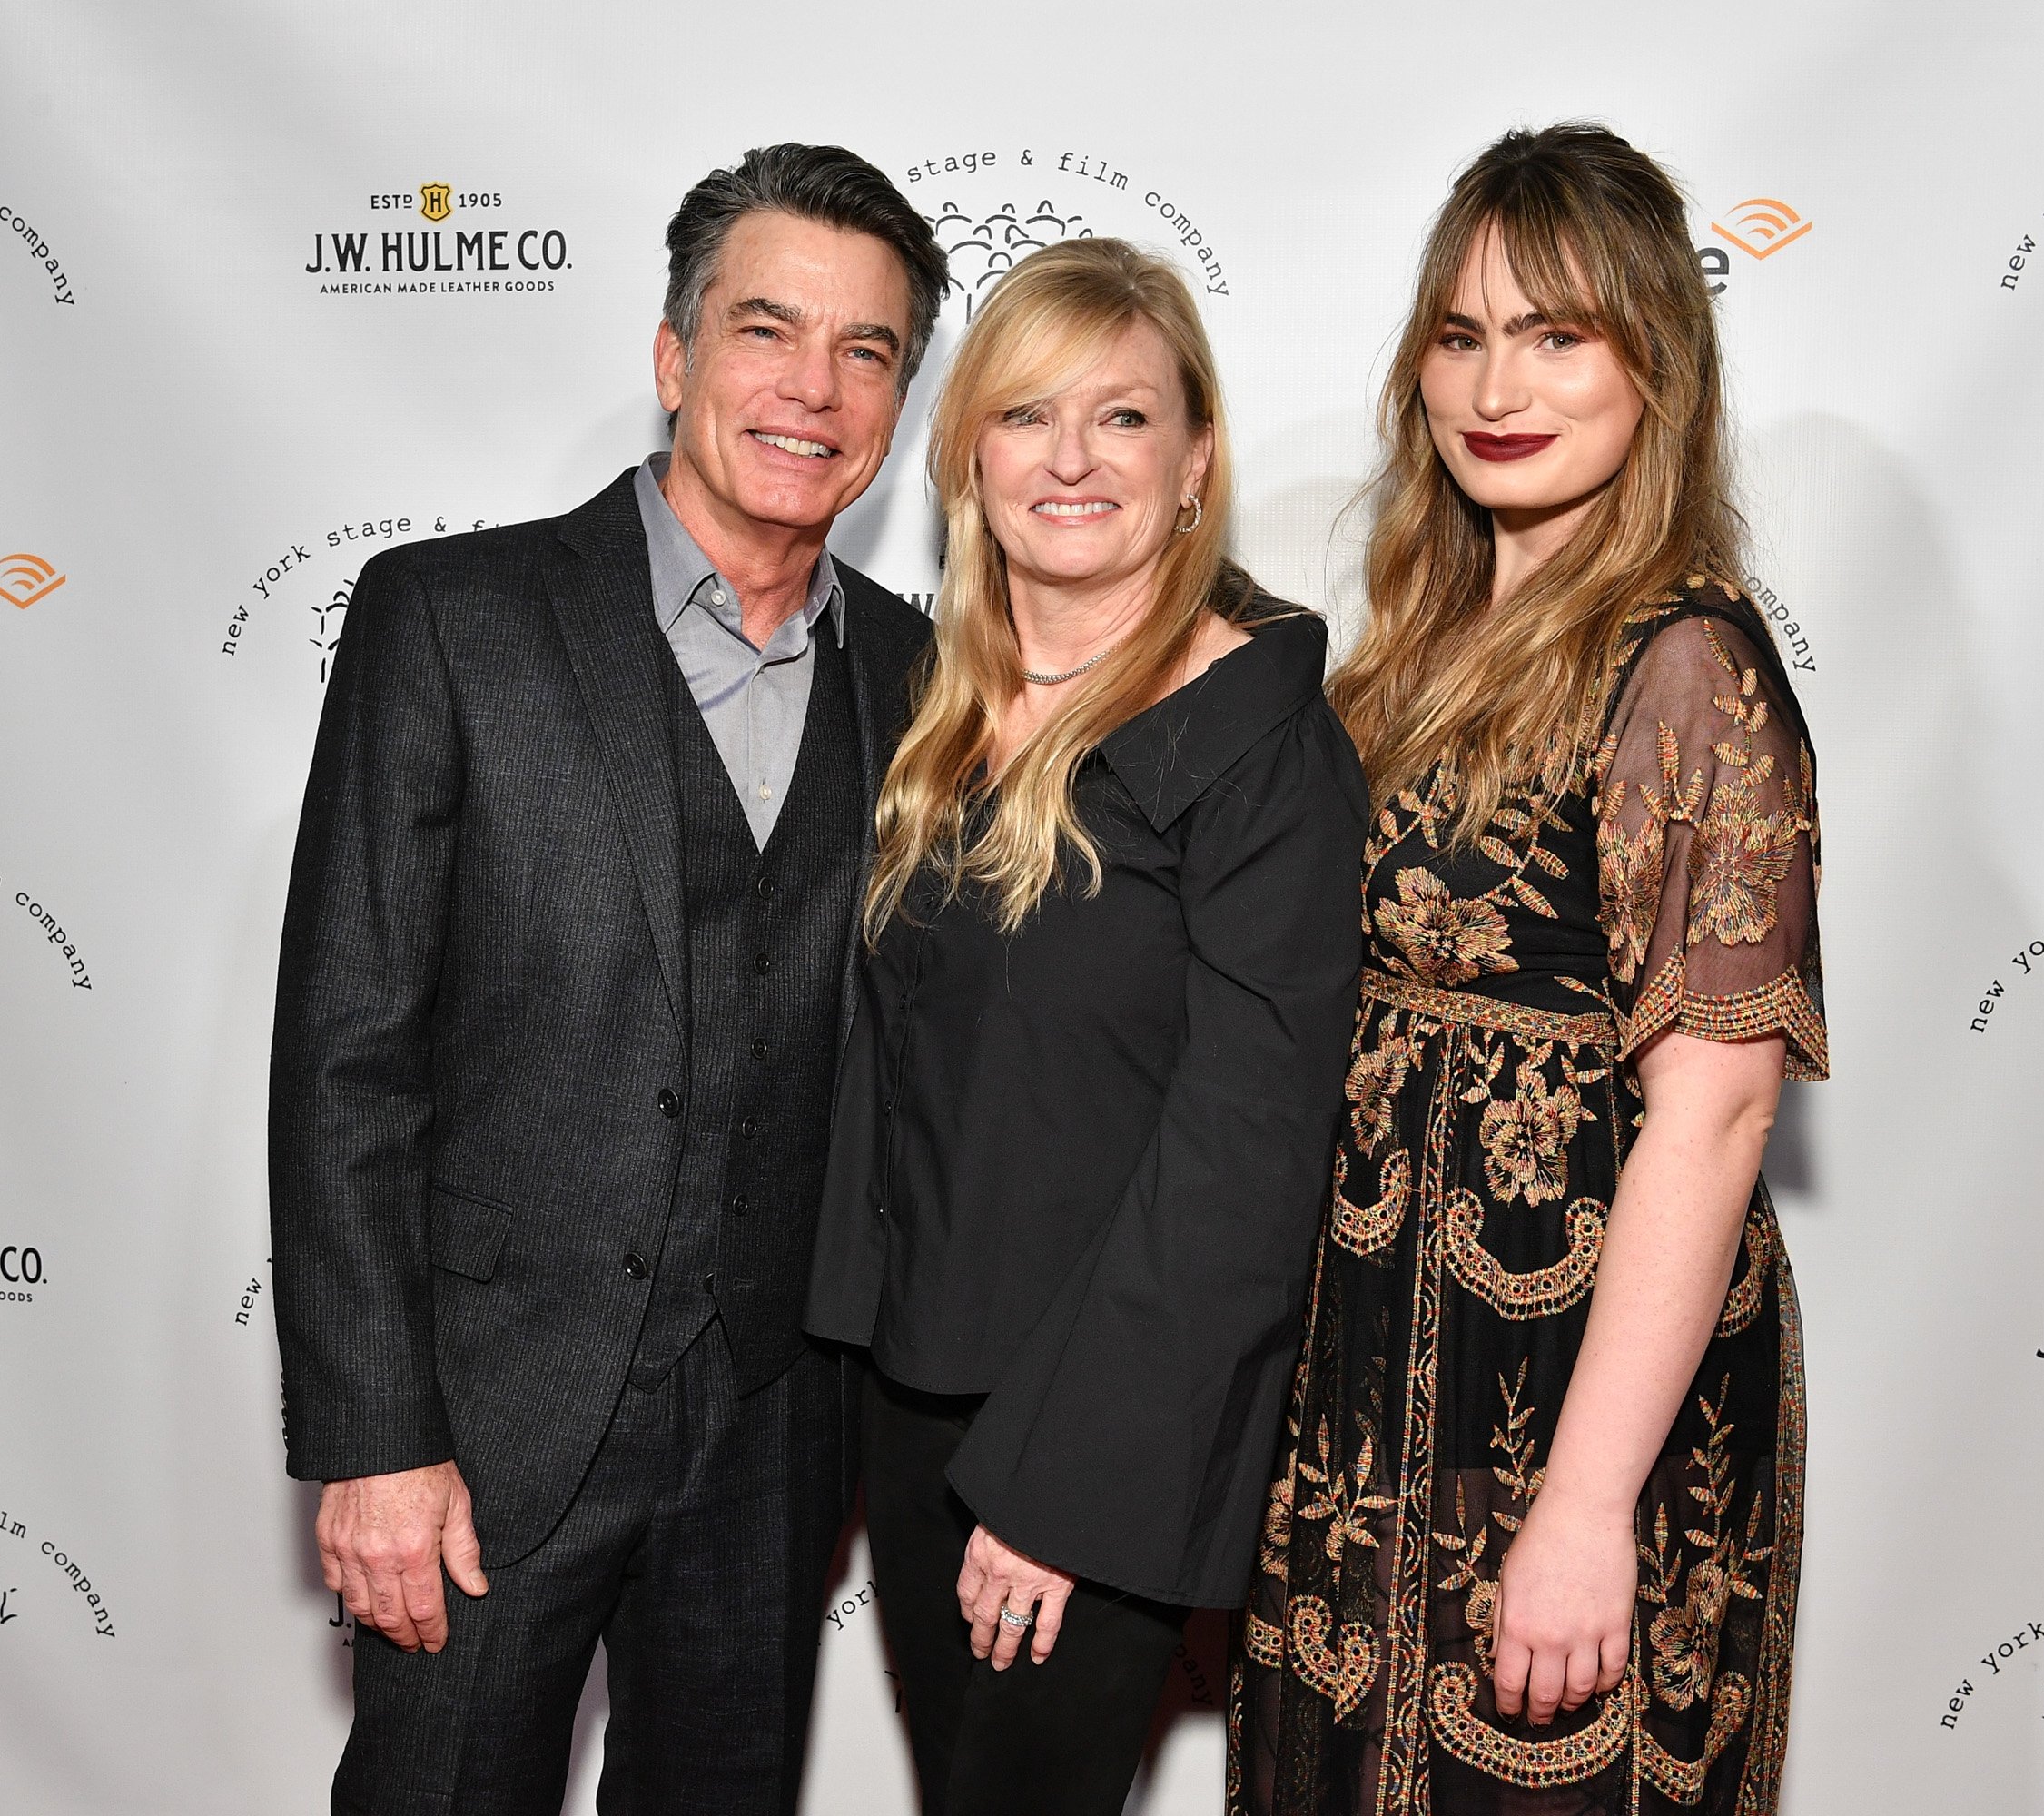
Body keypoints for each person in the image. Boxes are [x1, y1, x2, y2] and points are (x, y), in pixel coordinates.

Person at [268, 143, 949, 1816]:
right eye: (767, 330)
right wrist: (372, 1436)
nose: (813, 388)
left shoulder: (925, 671)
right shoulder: (453, 618)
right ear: (674, 357)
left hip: (778, 1431)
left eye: (866, 352)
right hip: (489, 1428)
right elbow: (346, 1053)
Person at [1229, 124, 1825, 1815]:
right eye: (1464, 332)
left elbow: (1712, 1115)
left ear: (1658, 362)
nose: (1500, 383)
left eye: (1559, 335)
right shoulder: (1420, 639)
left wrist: (1584, 1506)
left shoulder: (1686, 661)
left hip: (1564, 1390)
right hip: (1374, 1374)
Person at [805, 238, 1368, 1816]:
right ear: (967, 454)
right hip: (908, 1397)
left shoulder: (1260, 752)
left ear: (1195, 462)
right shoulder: (924, 700)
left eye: (1120, 418)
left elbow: (1245, 1158)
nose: (1069, 460)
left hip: (1097, 1425)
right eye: (1026, 414)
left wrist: (1067, 1490)